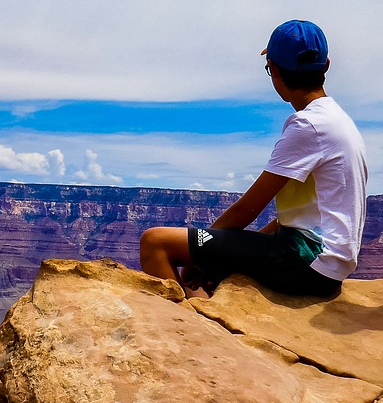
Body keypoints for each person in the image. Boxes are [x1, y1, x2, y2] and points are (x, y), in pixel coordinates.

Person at [140, 19, 368, 299]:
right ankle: (204, 316)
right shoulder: (339, 121)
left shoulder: (309, 125)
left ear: (274, 71)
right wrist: (217, 253)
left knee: (155, 242)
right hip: (322, 263)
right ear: (326, 65)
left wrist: (200, 257)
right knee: (220, 260)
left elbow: (246, 209)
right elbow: (301, 215)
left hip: (307, 264)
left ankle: (190, 327)